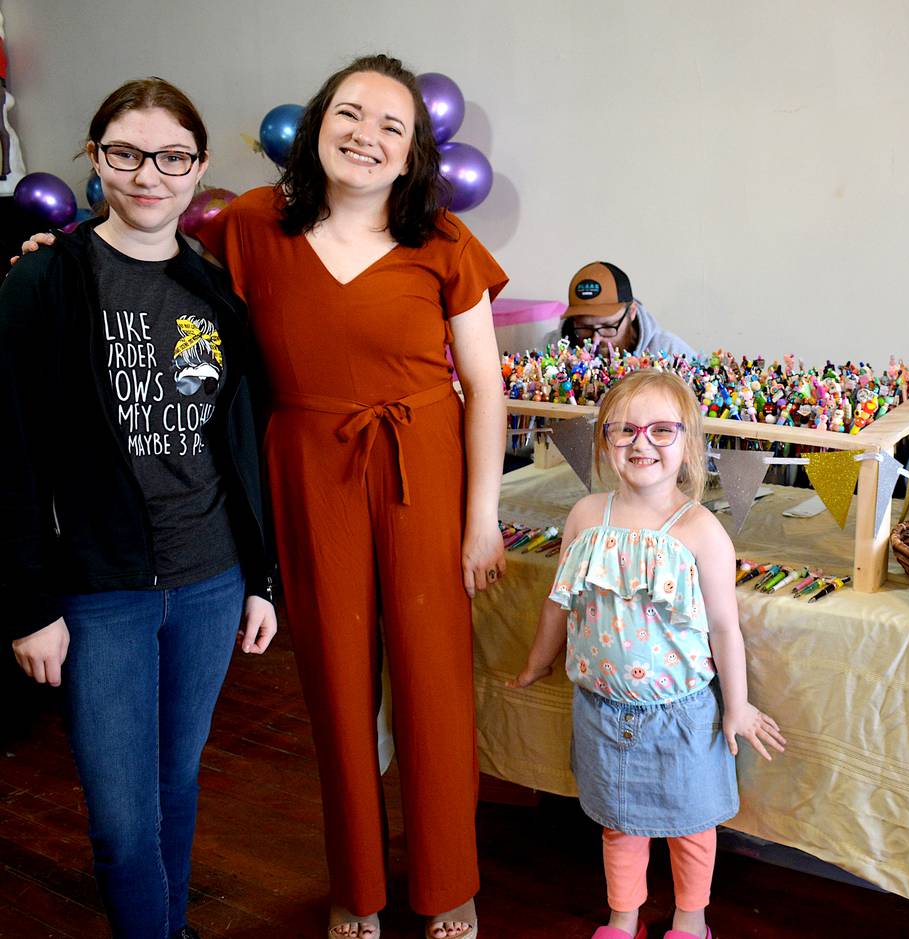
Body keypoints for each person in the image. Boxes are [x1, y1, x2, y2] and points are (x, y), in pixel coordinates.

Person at [190, 55, 510, 939]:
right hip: (308, 464)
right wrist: (59, 256)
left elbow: (486, 385)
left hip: (422, 465)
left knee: (434, 684)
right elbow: (158, 282)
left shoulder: (442, 239)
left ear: (413, 154)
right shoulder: (252, 224)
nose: (366, 134)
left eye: (391, 125)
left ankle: (447, 881)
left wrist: (481, 518)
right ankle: (355, 885)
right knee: (334, 686)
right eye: (350, 113)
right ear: (317, 124)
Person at [1, 78, 277, 939]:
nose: (148, 174)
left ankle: (165, 927)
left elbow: (240, 444)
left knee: (176, 783)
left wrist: (260, 578)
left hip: (209, 580)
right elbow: (5, 449)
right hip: (97, 590)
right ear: (96, 158)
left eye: (171, 157)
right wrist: (28, 605)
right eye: (125, 153)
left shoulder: (216, 293)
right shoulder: (44, 279)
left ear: (197, 170)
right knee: (122, 813)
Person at [509, 369, 785, 939]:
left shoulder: (702, 531)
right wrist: (538, 662)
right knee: (619, 824)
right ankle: (622, 916)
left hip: (681, 715)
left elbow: (724, 629)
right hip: (602, 710)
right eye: (625, 430)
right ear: (605, 441)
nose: (641, 444)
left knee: (691, 826)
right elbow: (558, 604)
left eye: (662, 430)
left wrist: (736, 708)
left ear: (688, 444)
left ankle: (691, 919)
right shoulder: (587, 517)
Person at [542, 261, 696, 359]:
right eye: (585, 328)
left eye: (608, 326)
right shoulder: (550, 348)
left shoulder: (669, 351)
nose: (595, 340)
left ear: (632, 312)